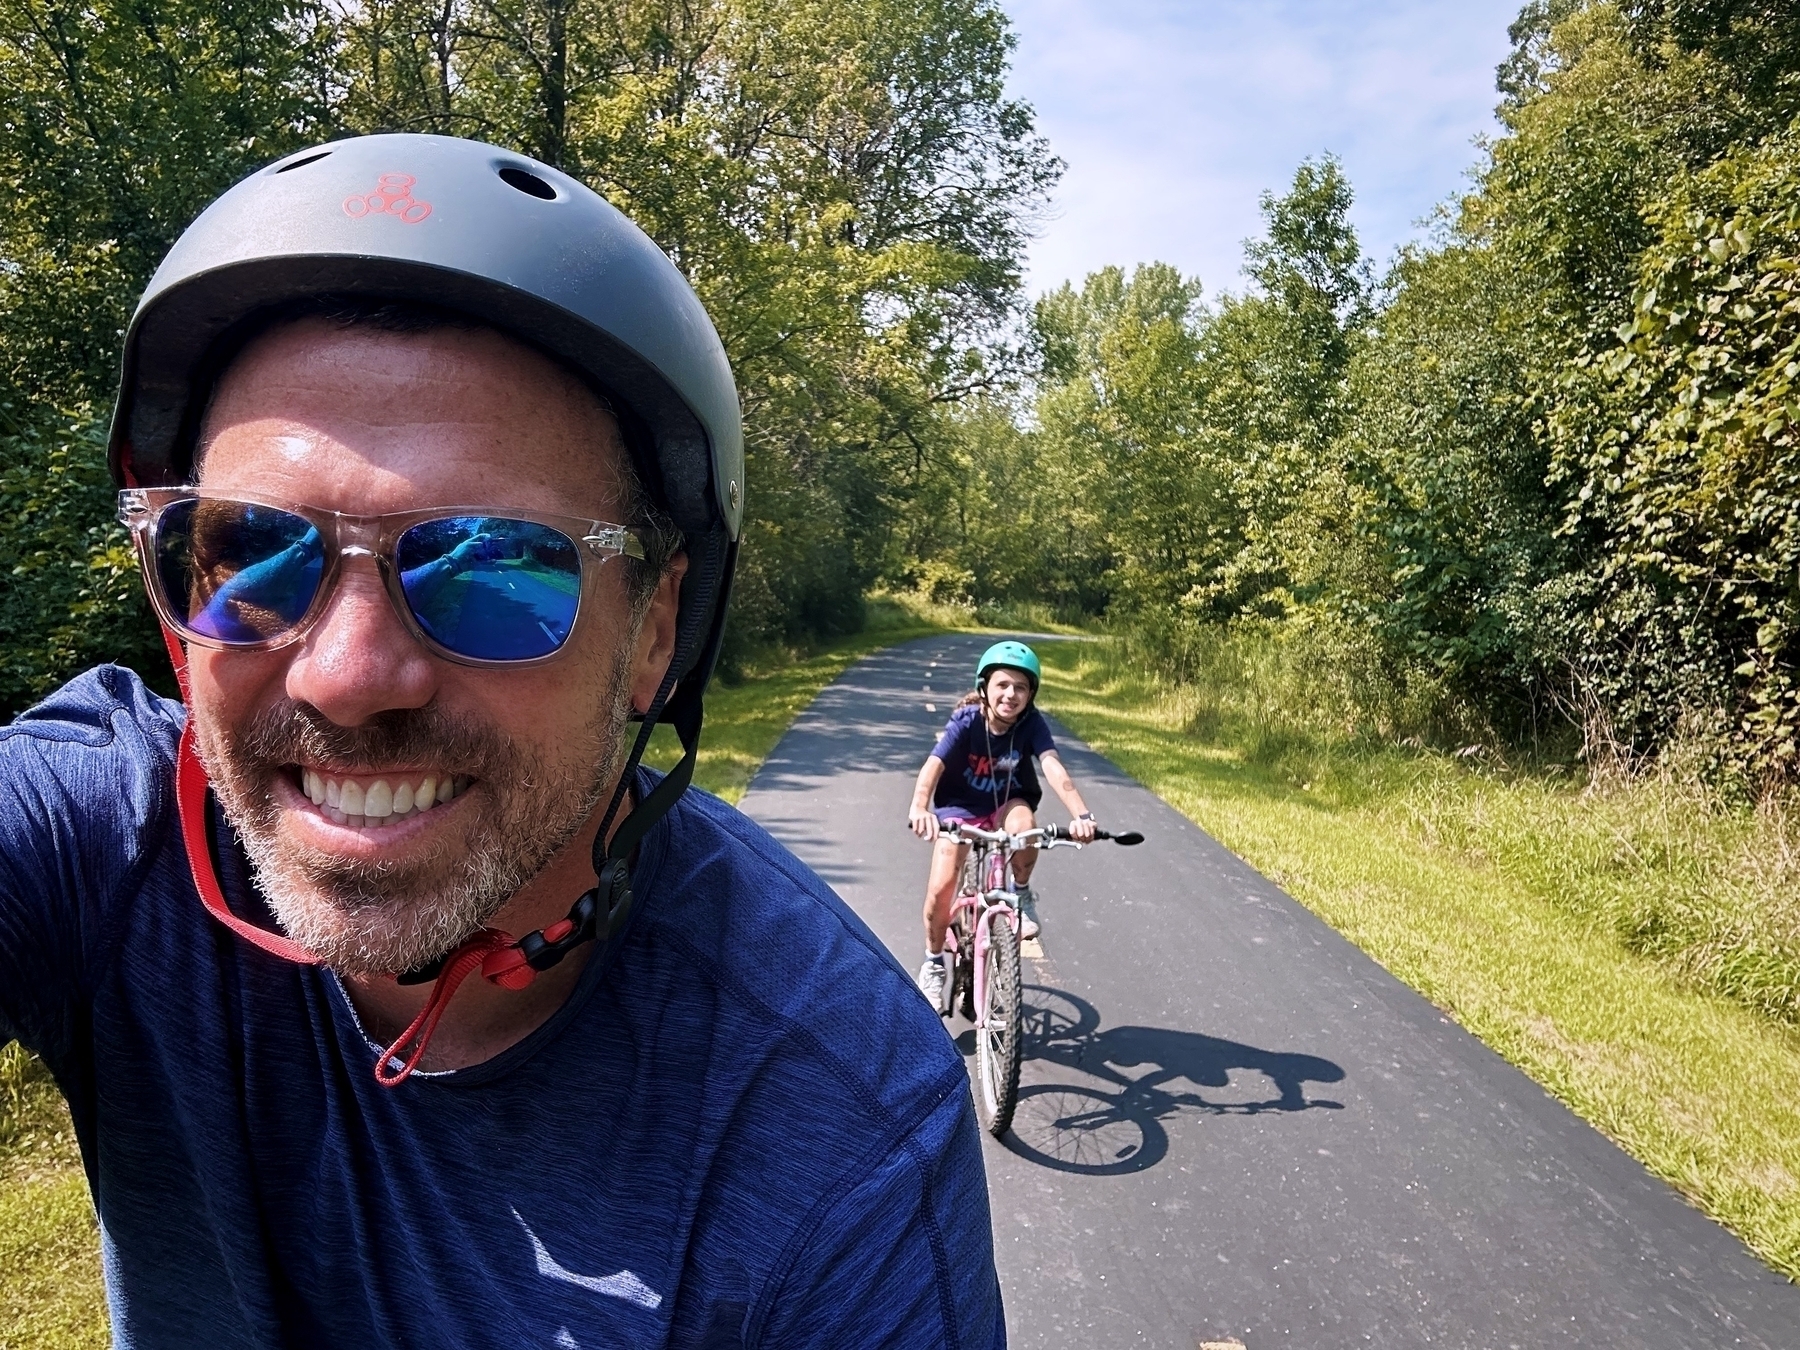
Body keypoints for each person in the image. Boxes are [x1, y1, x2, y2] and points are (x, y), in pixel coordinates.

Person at [0, 134, 1003, 1348]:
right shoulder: (103, 842)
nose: (351, 675)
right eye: (250, 554)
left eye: (495, 571)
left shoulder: (837, 1119)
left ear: (655, 632)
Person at [906, 641, 1097, 1007]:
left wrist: (1082, 815)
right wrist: (920, 807)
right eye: (1002, 685)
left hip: (1007, 804)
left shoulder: (1031, 725)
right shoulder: (967, 721)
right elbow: (934, 765)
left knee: (1026, 828)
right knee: (942, 887)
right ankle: (933, 963)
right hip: (959, 808)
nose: (1011, 694)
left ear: (1031, 694)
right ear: (985, 688)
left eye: (1021, 687)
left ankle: (1020, 891)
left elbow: (1052, 765)